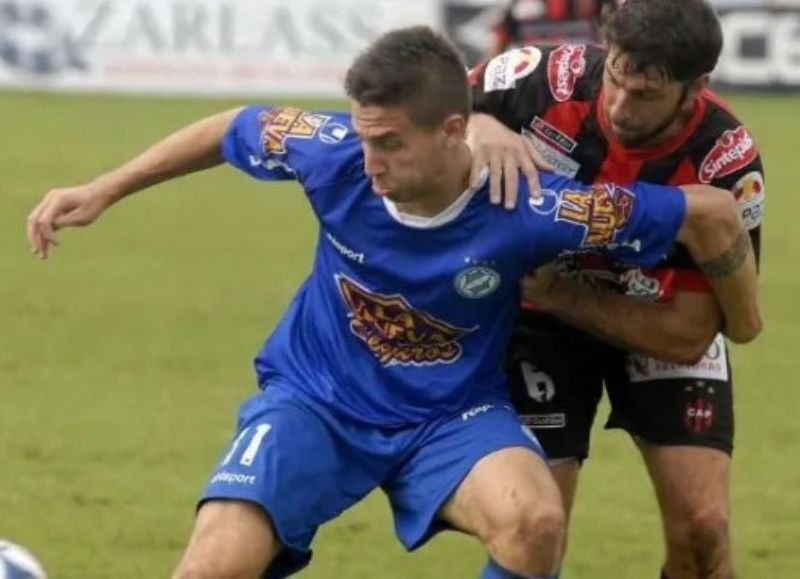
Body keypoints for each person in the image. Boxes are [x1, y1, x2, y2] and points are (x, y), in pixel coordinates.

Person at [27, 26, 760, 579]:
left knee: (537, 523)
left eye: (389, 144)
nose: (369, 160)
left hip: (451, 417)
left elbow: (712, 213)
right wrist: (103, 188)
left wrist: (748, 318)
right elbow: (233, 126)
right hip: (316, 401)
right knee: (211, 568)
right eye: (364, 137)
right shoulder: (334, 151)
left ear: (452, 132)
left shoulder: (534, 207)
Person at [467, 0, 765, 577]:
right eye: (616, 79)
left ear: (696, 87)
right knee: (536, 530)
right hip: (538, 324)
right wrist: (479, 122)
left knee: (703, 532)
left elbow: (689, 336)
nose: (620, 106)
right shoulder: (542, 77)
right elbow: (431, 99)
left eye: (646, 95)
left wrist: (562, 294)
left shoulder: (725, 159)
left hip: (650, 316)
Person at [487, 0, 617, 59]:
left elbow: (614, 39)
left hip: (582, 77)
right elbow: (498, 43)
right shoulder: (518, 7)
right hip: (532, 79)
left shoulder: (598, 5)